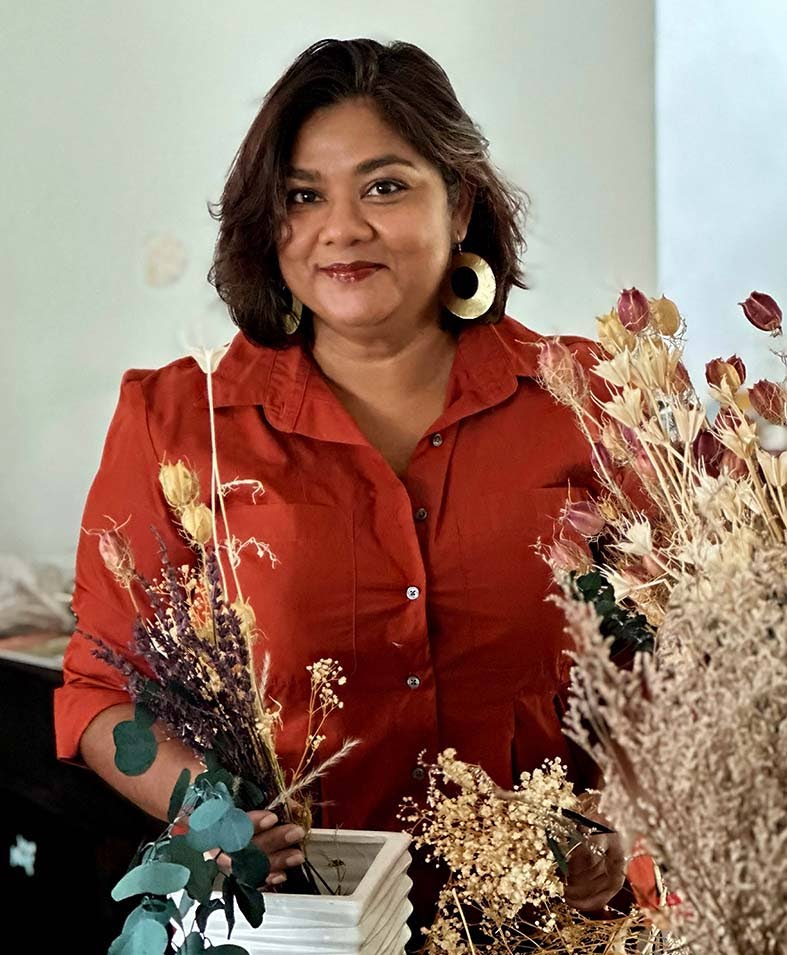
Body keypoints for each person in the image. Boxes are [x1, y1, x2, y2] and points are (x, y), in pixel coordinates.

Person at [54, 37, 626, 944]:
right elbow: (98, 691)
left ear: (459, 202)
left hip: (552, 921)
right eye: (302, 196)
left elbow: (679, 662)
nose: (342, 228)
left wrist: (625, 828)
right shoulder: (179, 421)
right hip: (302, 921)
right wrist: (208, 810)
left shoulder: (592, 400)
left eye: (384, 186)